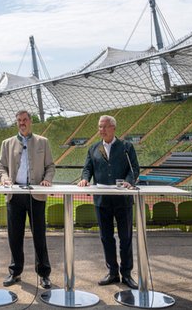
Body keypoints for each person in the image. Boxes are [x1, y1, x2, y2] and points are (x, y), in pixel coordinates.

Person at [78, 115, 140, 289]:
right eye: (99, 127)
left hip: (123, 200)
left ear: (114, 128)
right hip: (102, 200)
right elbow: (87, 169)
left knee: (125, 237)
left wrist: (129, 181)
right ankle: (112, 272)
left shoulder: (127, 147)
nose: (102, 130)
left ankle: (126, 274)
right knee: (106, 237)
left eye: (105, 126)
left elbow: (134, 168)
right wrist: (84, 179)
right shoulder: (93, 148)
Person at [0, 110, 55, 289]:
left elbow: (50, 166)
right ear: (17, 123)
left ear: (30, 121)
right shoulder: (7, 143)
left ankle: (44, 274)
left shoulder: (42, 142)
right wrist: (4, 178)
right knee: (15, 236)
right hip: (15, 195)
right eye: (19, 120)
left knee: (39, 235)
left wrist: (47, 179)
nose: (22, 123)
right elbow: (2, 167)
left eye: (25, 120)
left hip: (36, 194)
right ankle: (15, 272)